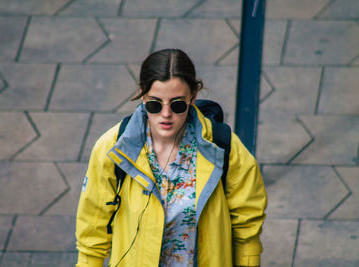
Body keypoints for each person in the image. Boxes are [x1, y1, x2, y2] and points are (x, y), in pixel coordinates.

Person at [75, 48, 267, 267]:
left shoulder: (224, 147)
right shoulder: (112, 150)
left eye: (177, 105)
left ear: (193, 96)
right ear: (143, 95)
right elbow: (92, 230)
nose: (166, 114)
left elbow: (247, 228)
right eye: (155, 104)